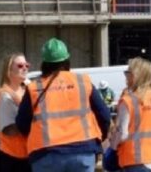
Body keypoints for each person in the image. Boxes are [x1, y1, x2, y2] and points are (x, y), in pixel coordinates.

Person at [16, 38, 110, 172]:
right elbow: (104, 115)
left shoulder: (34, 88)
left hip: (46, 154)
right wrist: (100, 138)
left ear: (44, 63)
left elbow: (22, 124)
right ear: (67, 61)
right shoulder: (83, 82)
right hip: (83, 151)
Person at [110, 57, 151, 171]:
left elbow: (122, 134)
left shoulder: (128, 100)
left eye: (127, 73)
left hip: (136, 161)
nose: (125, 77)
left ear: (135, 76)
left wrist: (112, 146)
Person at [0, 53, 30, 172]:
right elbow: (9, 129)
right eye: (20, 65)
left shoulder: (27, 90)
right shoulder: (5, 96)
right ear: (9, 71)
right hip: (12, 156)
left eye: (27, 65)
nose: (25, 68)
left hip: (25, 155)